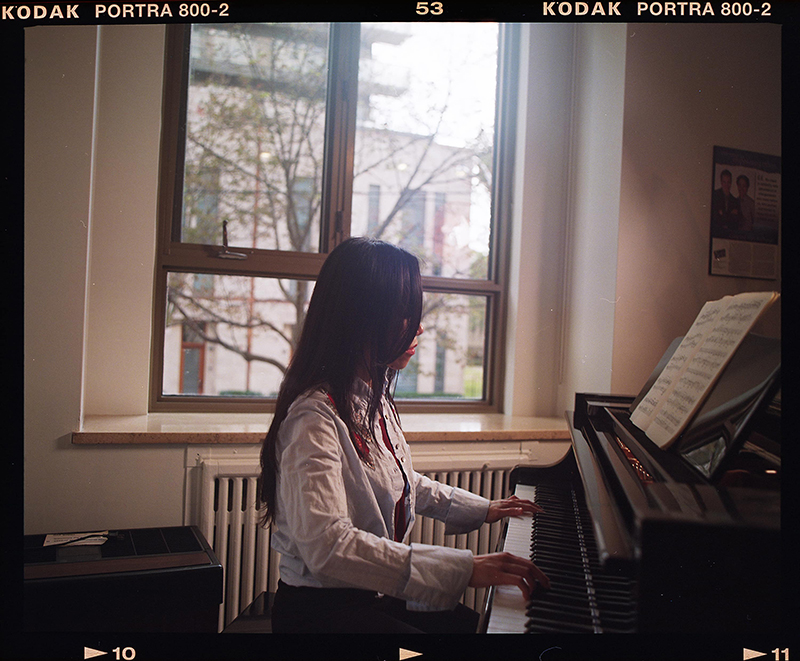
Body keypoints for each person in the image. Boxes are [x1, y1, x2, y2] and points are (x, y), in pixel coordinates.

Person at [258, 237, 550, 634]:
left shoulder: (370, 397)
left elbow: (400, 483)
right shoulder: (313, 417)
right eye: (405, 314)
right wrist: (463, 569)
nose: (420, 326)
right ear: (362, 318)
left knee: (479, 630)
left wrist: (484, 508)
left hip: (374, 596)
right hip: (322, 619)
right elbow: (328, 546)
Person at [710, 169, 741, 236]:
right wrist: (729, 214)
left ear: (731, 182)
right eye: (724, 182)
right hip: (716, 234)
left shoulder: (735, 201)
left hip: (730, 235)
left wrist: (722, 213)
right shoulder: (714, 195)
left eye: (728, 182)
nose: (726, 185)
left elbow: (736, 222)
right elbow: (715, 218)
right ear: (721, 182)